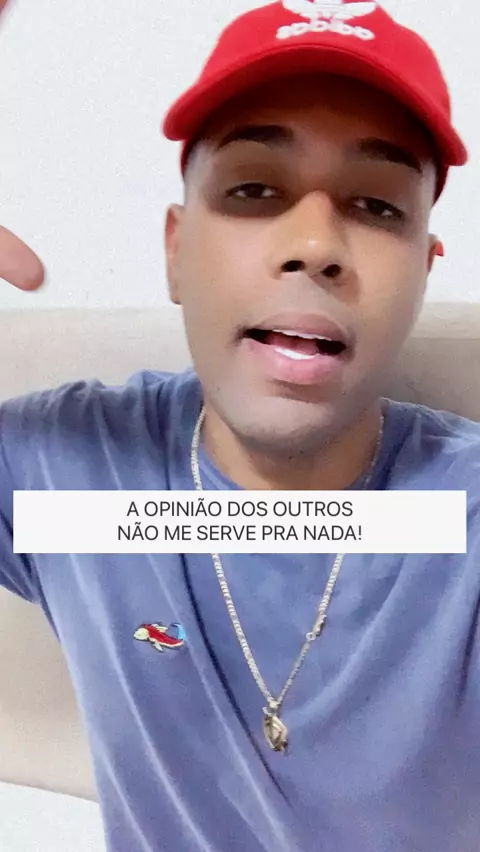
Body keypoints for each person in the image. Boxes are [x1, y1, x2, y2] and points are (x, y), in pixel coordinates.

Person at [0, 1, 478, 851]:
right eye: (255, 190)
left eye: (377, 206)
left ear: (423, 270)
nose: (315, 244)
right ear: (176, 251)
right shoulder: (68, 472)